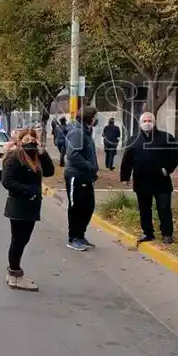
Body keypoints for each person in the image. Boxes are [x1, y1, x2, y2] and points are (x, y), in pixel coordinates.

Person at [1, 127, 55, 291]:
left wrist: (42, 152)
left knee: (23, 240)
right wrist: (27, 190)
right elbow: (7, 181)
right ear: (19, 141)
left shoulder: (36, 157)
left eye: (33, 140)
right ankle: (15, 275)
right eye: (26, 140)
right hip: (18, 206)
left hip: (31, 206)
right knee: (18, 240)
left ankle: (14, 272)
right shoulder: (14, 157)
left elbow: (50, 172)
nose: (30, 142)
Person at [120, 112, 178, 244]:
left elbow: (175, 155)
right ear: (140, 123)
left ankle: (167, 234)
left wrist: (168, 169)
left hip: (161, 180)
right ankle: (147, 232)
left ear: (154, 122)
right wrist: (125, 176)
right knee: (144, 209)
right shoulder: (133, 139)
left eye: (149, 120)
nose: (147, 123)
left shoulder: (166, 137)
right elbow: (127, 159)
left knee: (164, 208)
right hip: (142, 180)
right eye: (144, 121)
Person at [64, 106, 99, 251]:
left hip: (86, 177)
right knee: (76, 207)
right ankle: (74, 238)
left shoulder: (86, 131)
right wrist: (89, 167)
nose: (97, 120)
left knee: (88, 206)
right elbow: (72, 155)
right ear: (90, 118)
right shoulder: (77, 132)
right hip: (76, 176)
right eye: (95, 117)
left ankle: (81, 235)